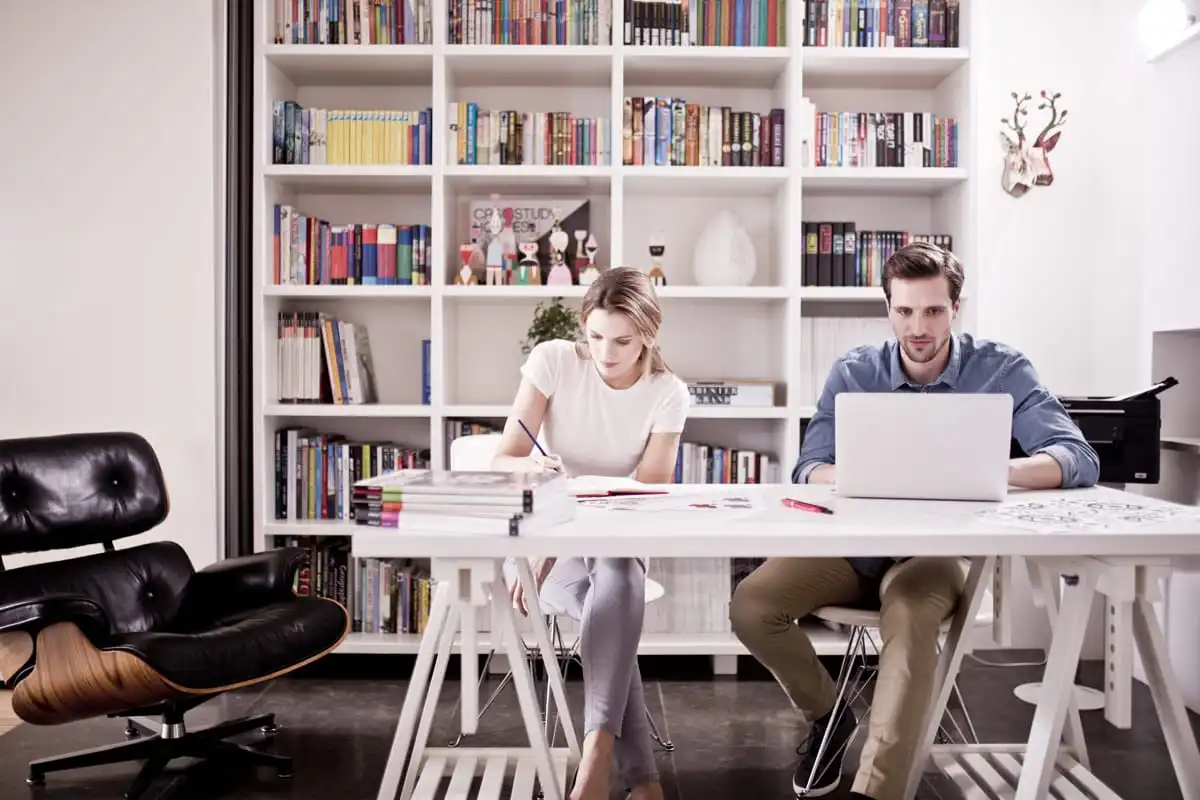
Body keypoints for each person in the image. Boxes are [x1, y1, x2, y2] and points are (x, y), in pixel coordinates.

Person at [729, 241, 1100, 800]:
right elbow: (809, 466)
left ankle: (877, 791)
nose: (918, 326)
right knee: (752, 605)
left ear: (957, 308)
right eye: (904, 311)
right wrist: (863, 471)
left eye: (933, 311)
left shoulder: (1001, 367)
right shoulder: (855, 372)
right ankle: (831, 718)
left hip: (933, 555)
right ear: (888, 308)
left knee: (907, 614)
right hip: (852, 546)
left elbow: (1076, 457)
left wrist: (991, 468)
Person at [491, 266, 690, 800]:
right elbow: (506, 455)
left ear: (649, 333)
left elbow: (643, 499)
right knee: (617, 597)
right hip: (541, 547)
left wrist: (568, 538)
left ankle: (598, 758)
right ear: (583, 327)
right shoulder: (554, 361)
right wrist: (538, 477)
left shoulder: (667, 393)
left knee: (618, 565)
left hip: (602, 545)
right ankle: (639, 779)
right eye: (596, 336)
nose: (606, 353)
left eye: (623, 340)